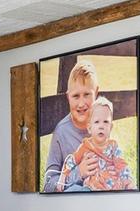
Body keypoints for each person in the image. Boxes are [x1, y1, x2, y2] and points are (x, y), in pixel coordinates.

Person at [43, 60, 104, 192]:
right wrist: (78, 173)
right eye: (76, 96)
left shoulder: (102, 126)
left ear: (96, 92)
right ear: (68, 97)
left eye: (87, 94)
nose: (81, 103)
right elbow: (48, 184)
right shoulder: (62, 132)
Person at [72, 97, 132, 191]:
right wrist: (64, 175)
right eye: (97, 122)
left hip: (112, 187)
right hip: (91, 188)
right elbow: (72, 161)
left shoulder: (113, 147)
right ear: (89, 128)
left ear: (111, 127)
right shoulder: (85, 146)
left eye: (106, 122)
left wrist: (128, 182)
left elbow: (121, 165)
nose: (101, 126)